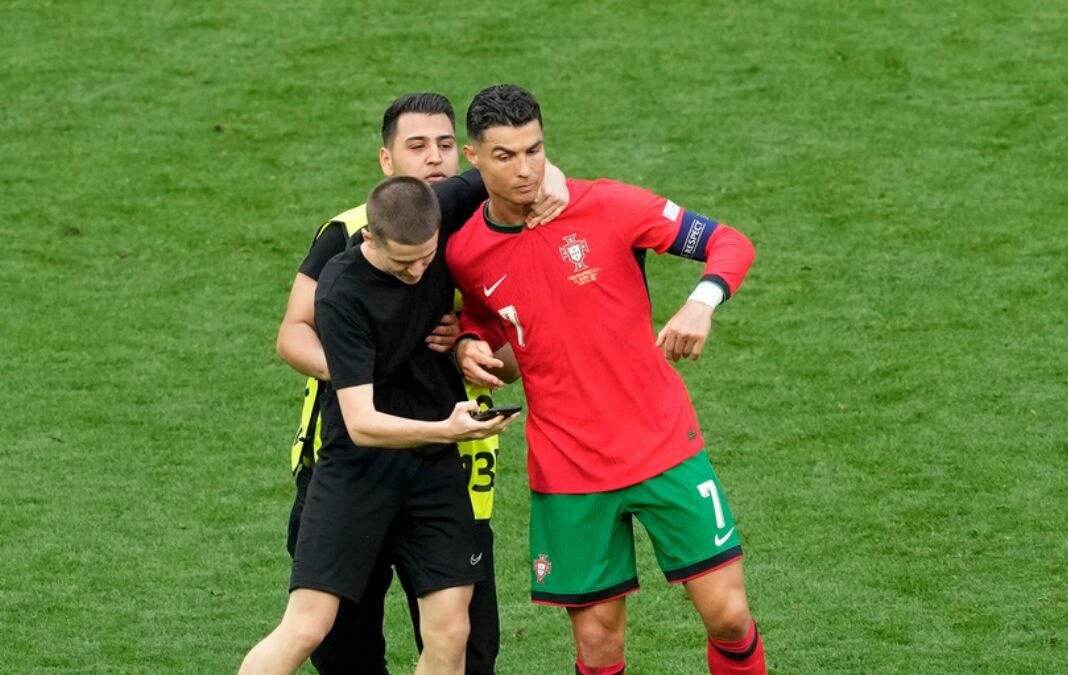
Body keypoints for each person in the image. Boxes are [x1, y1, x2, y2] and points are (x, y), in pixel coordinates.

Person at [447, 84, 767, 675]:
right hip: (568, 469)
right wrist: (470, 341)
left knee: (727, 615)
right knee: (598, 645)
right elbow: (483, 315)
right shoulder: (466, 252)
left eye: (535, 150)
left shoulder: (611, 206)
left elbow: (729, 242)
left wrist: (702, 301)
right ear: (473, 157)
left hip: (663, 445)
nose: (526, 170)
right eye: (505, 156)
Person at [240, 176, 519, 675]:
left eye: (426, 258)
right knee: (307, 626)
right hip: (357, 469)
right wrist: (448, 431)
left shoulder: (441, 206)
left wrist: (557, 195)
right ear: (370, 238)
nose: (416, 272)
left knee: (452, 631)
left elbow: (509, 168)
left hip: (432, 471)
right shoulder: (341, 292)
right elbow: (362, 423)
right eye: (402, 262)